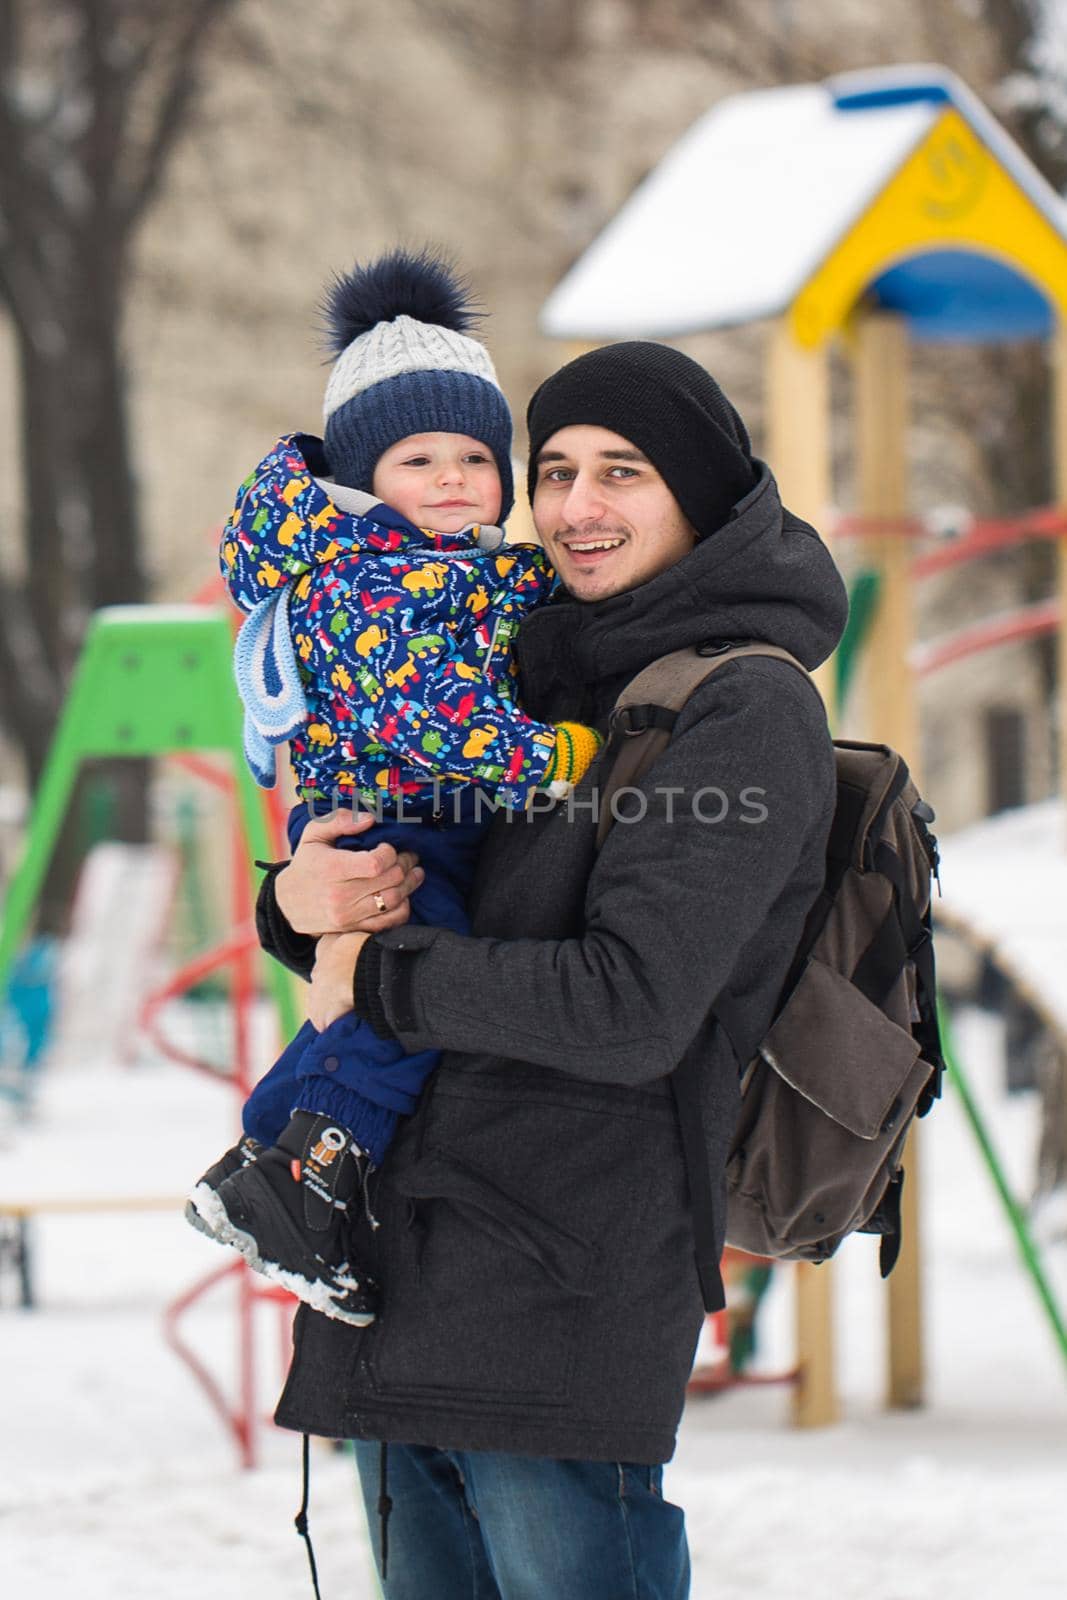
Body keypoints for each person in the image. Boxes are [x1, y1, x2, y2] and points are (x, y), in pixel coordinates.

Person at [256, 340, 849, 1599]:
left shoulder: (741, 709)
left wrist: (370, 976)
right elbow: (415, 889)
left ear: (695, 492)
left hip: (561, 1278)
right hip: (398, 1263)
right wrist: (298, 903)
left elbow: (629, 1004)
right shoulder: (501, 657)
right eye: (556, 470)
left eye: (620, 473)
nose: (576, 507)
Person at [186, 249, 601, 1325]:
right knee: (406, 990)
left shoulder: (443, 565)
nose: (455, 477)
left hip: (415, 806)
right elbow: (431, 711)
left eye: (476, 455)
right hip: (406, 814)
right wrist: (549, 756)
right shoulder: (365, 580)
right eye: (420, 458)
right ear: (363, 477)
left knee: (373, 990)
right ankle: (306, 1175)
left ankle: (267, 1168)